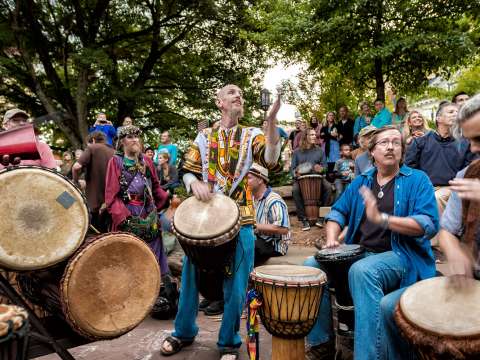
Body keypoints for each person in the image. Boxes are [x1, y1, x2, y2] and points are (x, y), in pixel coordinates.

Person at [160, 84, 282, 359]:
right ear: (219, 102)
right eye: (231, 93)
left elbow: (272, 159)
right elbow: (187, 172)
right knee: (190, 280)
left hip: (242, 220)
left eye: (240, 93)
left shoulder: (253, 135)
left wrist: (272, 121)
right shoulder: (204, 136)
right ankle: (183, 332)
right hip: (205, 222)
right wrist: (194, 185)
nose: (238, 95)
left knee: (237, 286)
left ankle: (228, 342)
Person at [303, 125, 439, 360]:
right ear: (372, 151)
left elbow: (427, 223)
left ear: (402, 150)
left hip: (402, 256)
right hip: (362, 253)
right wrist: (333, 238)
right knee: (311, 266)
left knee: (362, 271)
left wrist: (383, 219)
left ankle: (368, 356)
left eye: (396, 142)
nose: (390, 147)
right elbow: (337, 213)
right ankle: (321, 344)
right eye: (384, 142)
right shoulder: (361, 182)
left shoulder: (417, 180)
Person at [405, 102, 470, 245]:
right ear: (439, 118)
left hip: (452, 188)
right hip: (426, 187)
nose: (455, 114)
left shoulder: (465, 143)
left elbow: (469, 170)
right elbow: (409, 168)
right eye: (451, 112)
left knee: (437, 197)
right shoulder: (421, 141)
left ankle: (438, 245)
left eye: (457, 112)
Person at [437, 94, 480, 280]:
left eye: (479, 139)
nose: (473, 149)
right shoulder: (467, 175)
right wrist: (454, 250)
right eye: (470, 140)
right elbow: (446, 230)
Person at [247, 163, 290, 266]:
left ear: (260, 180)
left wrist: (254, 225)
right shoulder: (252, 199)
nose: (246, 181)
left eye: (249, 178)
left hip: (275, 244)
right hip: (259, 239)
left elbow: (283, 229)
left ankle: (247, 278)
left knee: (248, 246)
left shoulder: (274, 200)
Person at [72, 131, 115, 233]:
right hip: (111, 201)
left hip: (95, 201)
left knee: (95, 235)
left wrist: (75, 181)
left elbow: (76, 167)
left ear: (93, 140)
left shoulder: (93, 147)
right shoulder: (114, 151)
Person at [291, 129, 333, 231]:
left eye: (315, 134)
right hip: (301, 179)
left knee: (328, 188)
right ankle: (303, 219)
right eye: (312, 134)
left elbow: (325, 167)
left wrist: (322, 169)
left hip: (317, 178)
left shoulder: (319, 150)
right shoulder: (297, 152)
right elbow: (292, 169)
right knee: (295, 191)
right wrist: (296, 173)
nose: (315, 136)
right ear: (305, 137)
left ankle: (322, 217)